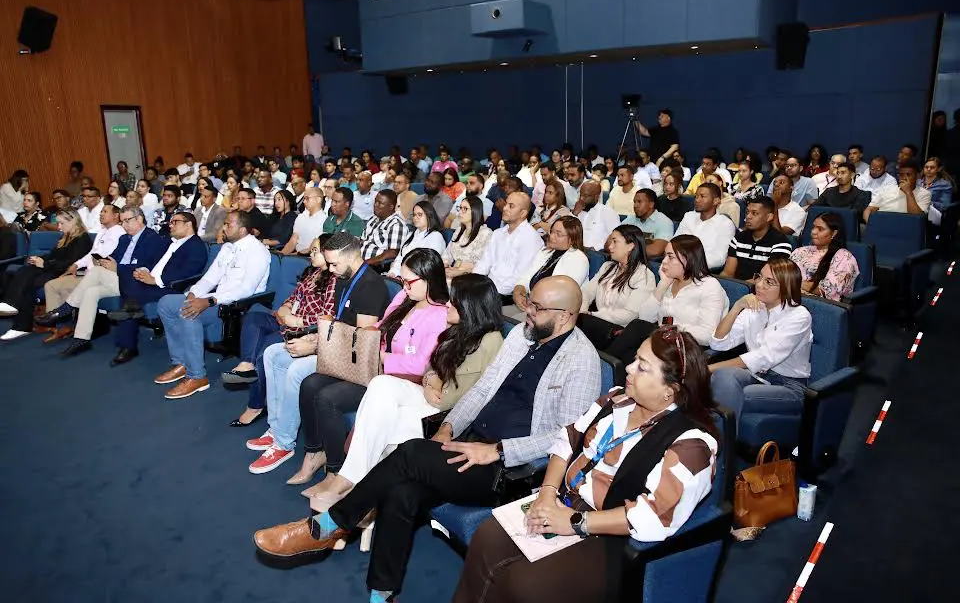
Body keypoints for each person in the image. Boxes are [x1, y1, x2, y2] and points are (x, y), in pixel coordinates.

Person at [252, 276, 600, 603]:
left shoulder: (581, 361)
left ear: (565, 316)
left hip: (508, 468)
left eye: (537, 308)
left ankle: (329, 525)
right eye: (529, 303)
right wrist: (449, 426)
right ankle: (382, 593)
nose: (527, 311)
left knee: (410, 453)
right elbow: (481, 391)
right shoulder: (522, 336)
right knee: (401, 493)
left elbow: (566, 437)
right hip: (467, 443)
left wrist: (495, 450)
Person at [454, 324, 718, 603]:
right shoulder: (617, 398)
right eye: (635, 360)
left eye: (642, 367)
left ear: (670, 390)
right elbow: (566, 440)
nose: (628, 368)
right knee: (487, 537)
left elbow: (653, 517)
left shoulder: (693, 444)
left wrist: (577, 522)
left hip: (610, 535)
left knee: (526, 586)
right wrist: (546, 494)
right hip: (565, 503)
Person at [277, 249, 451, 481]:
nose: (404, 287)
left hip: (395, 378)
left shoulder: (439, 315)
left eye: (408, 282)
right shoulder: (404, 298)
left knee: (327, 398)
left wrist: (381, 357)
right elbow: (382, 324)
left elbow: (420, 365)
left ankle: (336, 469)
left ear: (428, 279)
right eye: (402, 281)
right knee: (309, 384)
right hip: (368, 364)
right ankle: (314, 452)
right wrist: (366, 335)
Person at [249, 233, 391, 478]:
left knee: (295, 372)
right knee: (273, 354)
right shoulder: (344, 276)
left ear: (352, 257)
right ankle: (276, 428)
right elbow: (334, 324)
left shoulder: (371, 286)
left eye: (335, 264)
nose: (331, 270)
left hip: (352, 360)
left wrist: (315, 347)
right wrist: (313, 337)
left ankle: (284, 444)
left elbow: (360, 344)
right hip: (333, 345)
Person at [222, 234, 338, 426]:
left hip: (302, 330)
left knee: (265, 350)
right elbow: (293, 297)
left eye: (316, 251)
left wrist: (298, 320)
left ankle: (255, 406)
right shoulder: (311, 272)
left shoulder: (333, 280)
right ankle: (246, 365)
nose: (311, 253)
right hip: (287, 319)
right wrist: (285, 309)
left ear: (328, 253)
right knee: (253, 318)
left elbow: (327, 316)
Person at [154, 210, 271, 399]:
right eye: (224, 223)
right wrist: (193, 293)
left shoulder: (258, 251)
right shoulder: (227, 248)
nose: (223, 227)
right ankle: (182, 362)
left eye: (228, 224)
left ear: (242, 230)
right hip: (214, 299)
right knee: (166, 303)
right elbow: (209, 278)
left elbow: (246, 290)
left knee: (188, 312)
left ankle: (197, 376)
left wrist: (209, 300)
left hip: (235, 307)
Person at [709, 259, 812, 426]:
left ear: (786, 287)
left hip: (789, 387)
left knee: (727, 391)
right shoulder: (754, 307)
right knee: (723, 375)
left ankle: (720, 447)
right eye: (759, 277)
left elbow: (764, 357)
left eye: (769, 282)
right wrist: (737, 307)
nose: (759, 284)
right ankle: (717, 443)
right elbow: (718, 344)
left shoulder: (799, 316)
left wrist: (707, 369)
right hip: (757, 376)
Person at [105, 210, 207, 367]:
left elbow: (188, 272)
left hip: (171, 288)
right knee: (129, 277)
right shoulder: (170, 242)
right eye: (170, 222)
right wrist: (145, 271)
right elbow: (155, 263)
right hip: (152, 281)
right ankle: (130, 312)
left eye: (175, 222)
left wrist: (155, 280)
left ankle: (127, 343)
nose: (170, 225)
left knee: (129, 292)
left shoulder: (196, 245)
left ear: (188, 225)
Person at [605, 235, 728, 364]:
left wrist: (671, 329)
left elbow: (707, 335)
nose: (663, 261)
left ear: (687, 259)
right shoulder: (670, 283)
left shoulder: (709, 286)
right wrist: (662, 285)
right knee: (628, 354)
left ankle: (603, 367)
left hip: (688, 349)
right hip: (664, 342)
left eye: (670, 257)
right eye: (665, 256)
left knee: (638, 329)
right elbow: (645, 317)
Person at [33, 204, 126, 346]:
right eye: (101, 211)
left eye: (105, 211)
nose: (101, 214)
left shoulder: (118, 232)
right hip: (87, 272)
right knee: (51, 285)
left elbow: (104, 256)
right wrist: (77, 264)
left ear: (115, 215)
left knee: (62, 286)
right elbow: (91, 254)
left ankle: (63, 320)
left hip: (100, 275)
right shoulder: (103, 231)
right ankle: (59, 326)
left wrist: (84, 265)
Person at [0, 210, 93, 341]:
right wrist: (39, 258)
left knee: (28, 278)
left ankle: (19, 322)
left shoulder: (83, 239)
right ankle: (17, 320)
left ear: (73, 221)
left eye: (61, 223)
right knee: (25, 271)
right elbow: (52, 255)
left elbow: (70, 263)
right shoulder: (65, 237)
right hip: (55, 269)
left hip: (70, 273)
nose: (59, 227)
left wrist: (44, 264)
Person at [576, 224, 657, 350]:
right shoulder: (608, 267)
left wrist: (593, 315)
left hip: (620, 333)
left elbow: (630, 314)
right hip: (595, 324)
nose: (610, 246)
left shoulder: (644, 276)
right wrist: (582, 312)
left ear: (630, 246)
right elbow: (586, 292)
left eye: (615, 242)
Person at [507, 217, 589, 319]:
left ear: (572, 239)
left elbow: (562, 294)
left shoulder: (579, 259)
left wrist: (533, 300)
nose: (552, 236)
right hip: (531, 304)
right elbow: (528, 276)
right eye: (552, 231)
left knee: (507, 322)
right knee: (496, 315)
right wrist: (518, 290)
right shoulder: (545, 251)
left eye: (558, 234)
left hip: (552, 313)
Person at [473, 191, 544, 307]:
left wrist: (488, 291)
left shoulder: (531, 238)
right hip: (489, 289)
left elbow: (520, 277)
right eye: (506, 204)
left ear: (523, 213)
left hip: (507, 295)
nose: (505, 208)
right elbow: (484, 263)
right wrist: (473, 282)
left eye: (511, 206)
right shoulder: (498, 233)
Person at [789, 212, 860, 301]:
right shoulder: (800, 251)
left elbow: (830, 290)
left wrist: (793, 283)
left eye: (820, 229)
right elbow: (783, 275)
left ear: (834, 233)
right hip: (791, 298)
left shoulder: (844, 257)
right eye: (813, 227)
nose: (813, 232)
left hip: (819, 305)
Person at [722, 196, 792, 281]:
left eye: (754, 213)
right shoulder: (739, 237)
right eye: (747, 212)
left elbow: (769, 278)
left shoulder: (780, 242)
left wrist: (742, 287)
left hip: (763, 290)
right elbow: (728, 273)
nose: (748, 216)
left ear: (769, 217)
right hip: (737, 287)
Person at [674, 183, 736, 270]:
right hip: (677, 265)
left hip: (702, 271)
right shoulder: (688, 216)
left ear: (716, 201)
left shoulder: (725, 224)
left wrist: (688, 263)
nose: (697, 200)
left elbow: (719, 258)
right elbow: (674, 243)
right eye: (696, 196)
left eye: (702, 196)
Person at [386, 202, 446, 278]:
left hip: (420, 279)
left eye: (420, 215)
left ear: (429, 216)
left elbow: (427, 266)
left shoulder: (436, 237)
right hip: (401, 276)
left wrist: (403, 276)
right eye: (414, 215)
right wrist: (393, 273)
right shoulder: (410, 235)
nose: (415, 218)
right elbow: (399, 259)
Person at [355, 189, 407, 269]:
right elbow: (363, 240)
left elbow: (393, 252)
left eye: (380, 203)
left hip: (374, 267)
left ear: (391, 207)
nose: (375, 205)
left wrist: (366, 263)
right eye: (375, 201)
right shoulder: (373, 219)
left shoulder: (396, 224)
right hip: (357, 260)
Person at [443, 196, 493, 278]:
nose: (460, 212)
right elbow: (447, 255)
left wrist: (460, 272)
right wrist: (445, 267)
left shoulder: (486, 233)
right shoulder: (459, 230)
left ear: (475, 211)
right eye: (460, 208)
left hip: (472, 277)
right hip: (453, 273)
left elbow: (484, 265)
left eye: (465, 209)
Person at [863, 158, 931, 220]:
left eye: (908, 175)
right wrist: (871, 226)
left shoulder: (924, 194)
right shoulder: (886, 189)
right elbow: (869, 209)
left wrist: (908, 193)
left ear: (917, 176)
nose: (904, 178)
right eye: (901, 174)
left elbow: (917, 219)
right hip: (882, 225)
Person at [574, 181, 620, 251]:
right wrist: (574, 213)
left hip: (595, 254)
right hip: (575, 251)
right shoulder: (578, 210)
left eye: (585, 196)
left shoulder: (607, 212)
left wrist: (596, 248)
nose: (581, 199)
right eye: (580, 194)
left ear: (597, 197)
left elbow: (616, 237)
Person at [281, 187, 327, 255]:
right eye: (304, 198)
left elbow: (313, 247)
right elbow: (293, 241)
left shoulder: (324, 220)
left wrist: (295, 255)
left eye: (307, 198)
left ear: (318, 199)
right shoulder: (301, 217)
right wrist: (282, 254)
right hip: (296, 255)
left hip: (311, 257)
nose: (304, 201)